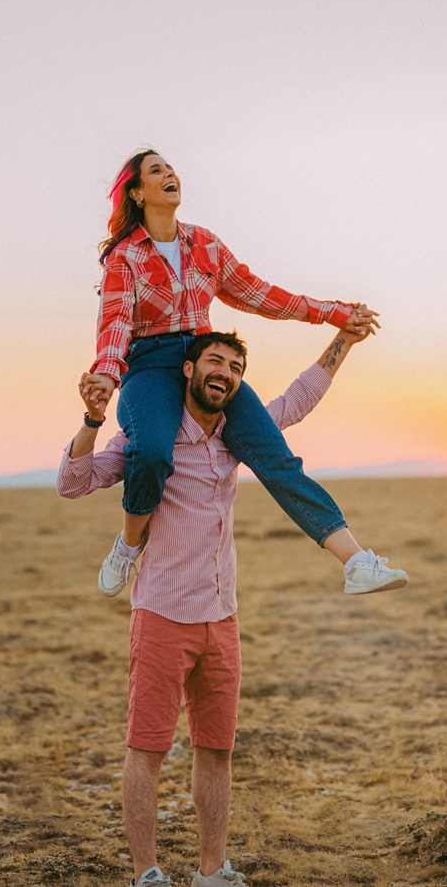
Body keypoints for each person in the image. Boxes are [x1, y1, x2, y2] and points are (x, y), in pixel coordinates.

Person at [58, 326, 406, 887]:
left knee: (216, 751)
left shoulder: (238, 435)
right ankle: (146, 873)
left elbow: (297, 398)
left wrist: (343, 342)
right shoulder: (152, 434)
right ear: (189, 370)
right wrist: (92, 420)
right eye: (214, 361)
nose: (224, 373)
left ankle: (212, 870)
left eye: (236, 368)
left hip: (222, 617)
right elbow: (74, 483)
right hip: (162, 616)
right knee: (147, 750)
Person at [79, 148, 405, 595]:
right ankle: (127, 546)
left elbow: (260, 294)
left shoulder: (206, 244)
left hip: (203, 359)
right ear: (136, 192)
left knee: (274, 454)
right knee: (152, 451)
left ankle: (355, 562)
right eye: (157, 170)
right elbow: (116, 322)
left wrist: (332, 313)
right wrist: (106, 375)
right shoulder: (125, 257)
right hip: (150, 365)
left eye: (171, 167)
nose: (171, 172)